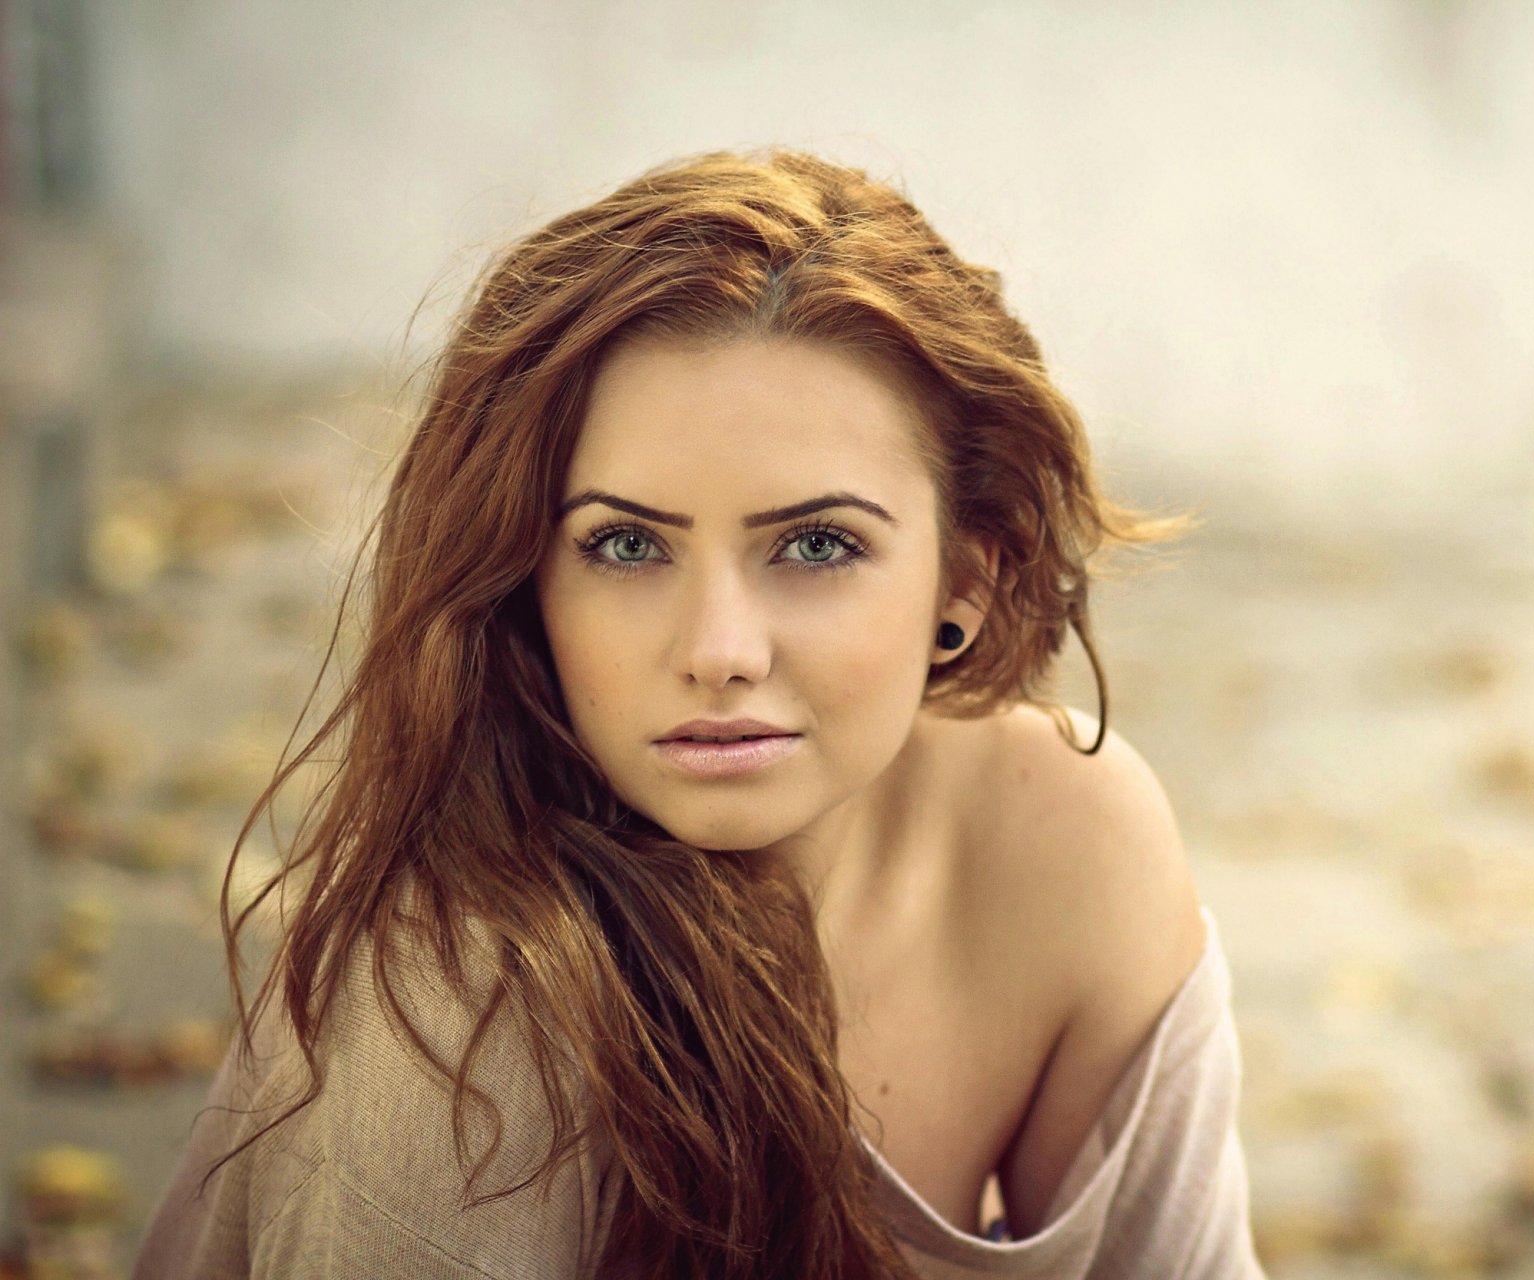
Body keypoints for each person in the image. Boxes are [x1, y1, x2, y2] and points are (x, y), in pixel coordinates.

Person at [133, 148, 1264, 1279]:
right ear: (524, 580)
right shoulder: (456, 1005)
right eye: (626, 544)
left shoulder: (1067, 839)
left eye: (817, 544)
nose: (719, 651)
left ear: (962, 583)